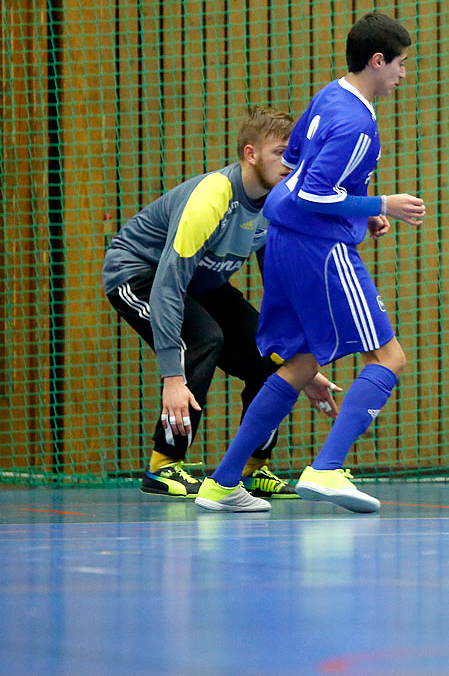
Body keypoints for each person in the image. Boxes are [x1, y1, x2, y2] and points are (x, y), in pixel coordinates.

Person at [195, 12, 426, 514]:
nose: (404, 74)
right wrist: (378, 205)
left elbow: (296, 169)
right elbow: (315, 195)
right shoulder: (359, 124)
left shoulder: (330, 96)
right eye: (402, 64)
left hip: (282, 243)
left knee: (300, 363)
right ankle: (327, 469)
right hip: (317, 249)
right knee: (388, 358)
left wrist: (356, 212)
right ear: (378, 61)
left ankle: (222, 482)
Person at [103, 106, 340, 499]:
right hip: (140, 275)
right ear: (250, 154)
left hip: (199, 283)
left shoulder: (277, 205)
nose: (291, 163)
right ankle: (164, 465)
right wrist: (173, 377)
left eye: (296, 154)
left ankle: (253, 466)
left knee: (271, 359)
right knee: (203, 339)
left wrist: (301, 367)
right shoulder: (214, 196)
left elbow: (277, 289)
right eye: (281, 153)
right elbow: (168, 283)